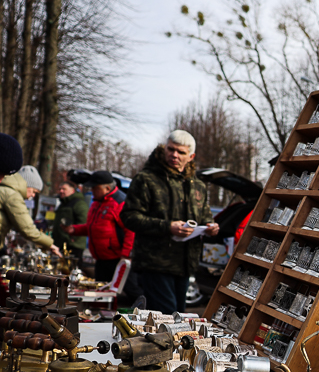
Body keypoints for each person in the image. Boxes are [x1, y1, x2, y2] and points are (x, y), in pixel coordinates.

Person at [122, 130, 218, 313]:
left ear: (191, 156)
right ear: (164, 148)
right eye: (171, 149)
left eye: (180, 152)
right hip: (155, 263)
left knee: (177, 317)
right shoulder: (146, 179)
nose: (174, 155)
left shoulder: (198, 185)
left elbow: (205, 216)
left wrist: (210, 227)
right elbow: (129, 217)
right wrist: (167, 227)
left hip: (185, 264)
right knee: (165, 317)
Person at [65, 171, 134, 282]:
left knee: (130, 289)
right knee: (102, 291)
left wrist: (125, 256)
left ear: (107, 188)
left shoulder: (120, 203)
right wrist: (74, 229)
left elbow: (131, 230)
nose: (92, 191)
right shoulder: (97, 202)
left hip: (117, 259)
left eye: (95, 188)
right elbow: (95, 228)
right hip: (101, 260)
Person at [0, 140, 60, 258]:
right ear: (26, 185)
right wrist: (50, 244)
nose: (33, 195)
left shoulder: (6, 189)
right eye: (34, 191)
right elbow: (27, 229)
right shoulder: (12, 195)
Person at [51, 180, 88, 260]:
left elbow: (83, 222)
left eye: (64, 189)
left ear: (72, 190)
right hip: (61, 244)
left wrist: (73, 239)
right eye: (60, 189)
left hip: (73, 246)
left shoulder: (79, 204)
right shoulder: (63, 204)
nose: (61, 191)